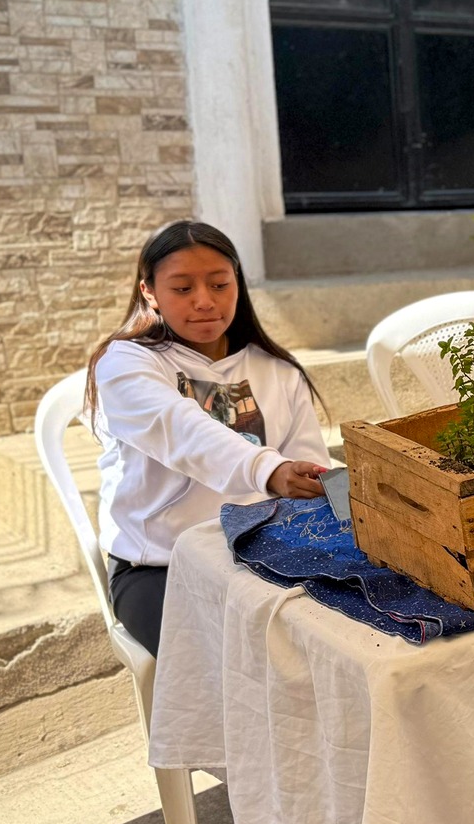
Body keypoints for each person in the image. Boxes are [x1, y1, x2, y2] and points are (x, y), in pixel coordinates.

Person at [88, 220, 329, 657]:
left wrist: (308, 481)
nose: (204, 301)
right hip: (161, 567)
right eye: (182, 288)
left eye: (219, 284)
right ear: (149, 291)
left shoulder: (278, 371)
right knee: (238, 666)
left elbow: (309, 471)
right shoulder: (125, 364)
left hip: (264, 557)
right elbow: (180, 428)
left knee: (326, 649)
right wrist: (269, 470)